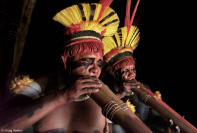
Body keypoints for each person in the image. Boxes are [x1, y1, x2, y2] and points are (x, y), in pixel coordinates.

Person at [0, 1, 120, 133]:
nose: (95, 69)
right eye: (86, 61)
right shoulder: (42, 86)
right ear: (65, 61)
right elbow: (4, 125)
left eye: (99, 63)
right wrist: (63, 96)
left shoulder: (106, 96)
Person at [101, 0, 180, 132]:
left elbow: (153, 119)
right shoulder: (105, 89)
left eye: (133, 69)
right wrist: (120, 94)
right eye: (125, 70)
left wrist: (166, 124)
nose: (131, 74)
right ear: (113, 72)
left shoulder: (144, 88)